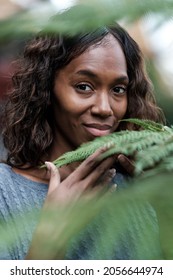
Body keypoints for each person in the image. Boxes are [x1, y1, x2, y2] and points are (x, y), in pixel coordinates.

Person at [0, 17, 165, 260]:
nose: (104, 108)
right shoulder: (4, 194)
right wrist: (49, 240)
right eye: (84, 86)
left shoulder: (137, 188)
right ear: (46, 89)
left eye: (118, 89)